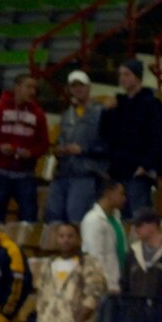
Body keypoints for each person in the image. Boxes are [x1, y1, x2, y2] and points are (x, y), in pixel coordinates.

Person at [0, 72, 49, 222]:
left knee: (29, 215)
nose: (32, 92)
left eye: (34, 88)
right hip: (0, 172)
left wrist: (31, 153)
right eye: (28, 87)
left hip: (25, 174)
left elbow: (44, 144)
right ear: (17, 87)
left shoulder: (38, 114)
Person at [103, 60, 162, 217]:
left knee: (139, 217)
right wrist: (107, 112)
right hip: (119, 170)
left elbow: (157, 137)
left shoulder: (151, 103)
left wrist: (146, 165)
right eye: (120, 75)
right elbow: (106, 134)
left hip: (138, 171)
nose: (122, 79)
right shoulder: (118, 105)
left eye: (127, 74)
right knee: (121, 219)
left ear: (138, 77)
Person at [47, 69, 108, 225]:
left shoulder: (101, 113)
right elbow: (60, 139)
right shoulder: (67, 114)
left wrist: (84, 149)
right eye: (74, 86)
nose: (77, 89)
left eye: (81, 85)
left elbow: (109, 145)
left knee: (76, 217)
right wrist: (59, 149)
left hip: (86, 173)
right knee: (54, 217)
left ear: (89, 87)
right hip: (63, 172)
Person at [34, 221, 108, 322]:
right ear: (57, 239)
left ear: (79, 239)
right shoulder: (49, 264)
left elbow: (95, 294)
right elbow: (41, 295)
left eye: (70, 236)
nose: (65, 240)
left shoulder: (88, 263)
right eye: (62, 236)